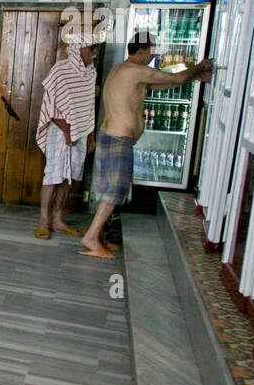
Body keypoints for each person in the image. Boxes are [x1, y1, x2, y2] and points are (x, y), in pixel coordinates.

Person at [78, 31, 213, 258]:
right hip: (117, 139)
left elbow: (156, 86)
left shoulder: (121, 70)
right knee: (114, 192)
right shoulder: (134, 70)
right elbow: (176, 78)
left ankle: (96, 234)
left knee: (111, 191)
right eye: (151, 51)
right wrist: (200, 66)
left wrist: (193, 77)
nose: (153, 56)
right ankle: (91, 237)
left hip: (113, 137)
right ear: (141, 51)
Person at [35, 35, 99, 239]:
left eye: (96, 48)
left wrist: (89, 136)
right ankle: (44, 220)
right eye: (91, 48)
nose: (94, 52)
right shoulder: (60, 70)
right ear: (78, 49)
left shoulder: (91, 73)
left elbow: (89, 107)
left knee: (68, 177)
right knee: (53, 175)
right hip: (59, 131)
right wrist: (67, 130)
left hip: (80, 132)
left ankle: (58, 219)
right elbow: (51, 108)